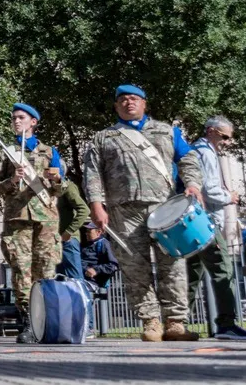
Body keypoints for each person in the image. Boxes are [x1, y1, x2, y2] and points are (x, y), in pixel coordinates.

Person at [84, 84, 203, 342]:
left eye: (134, 99)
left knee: (172, 264)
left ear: (144, 103)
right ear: (116, 106)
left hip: (165, 207)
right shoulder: (103, 137)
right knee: (133, 267)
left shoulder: (167, 131)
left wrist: (193, 184)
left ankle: (175, 322)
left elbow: (188, 159)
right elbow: (92, 173)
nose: (129, 103)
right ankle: (150, 321)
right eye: (123, 100)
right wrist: (96, 205)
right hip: (123, 210)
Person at [0, 103, 63, 344]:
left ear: (33, 122)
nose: (16, 121)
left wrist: (57, 179)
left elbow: (61, 188)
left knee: (46, 269)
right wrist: (11, 181)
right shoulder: (5, 153)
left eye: (21, 117)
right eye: (14, 118)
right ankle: (29, 322)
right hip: (17, 218)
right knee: (21, 270)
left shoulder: (49, 152)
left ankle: (48, 321)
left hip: (46, 219)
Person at [186, 116, 246, 340]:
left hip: (191, 221)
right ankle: (226, 324)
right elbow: (209, 190)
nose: (227, 142)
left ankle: (176, 323)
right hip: (206, 221)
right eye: (225, 137)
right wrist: (230, 197)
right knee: (223, 270)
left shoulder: (194, 150)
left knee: (191, 274)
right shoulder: (206, 153)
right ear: (211, 131)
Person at [56, 177, 90, 280]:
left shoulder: (67, 187)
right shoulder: (46, 188)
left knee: (75, 280)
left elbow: (84, 210)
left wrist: (69, 231)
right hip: (53, 241)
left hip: (67, 241)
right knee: (57, 280)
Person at [80, 222, 119, 288]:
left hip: (93, 283)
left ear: (98, 232)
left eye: (89, 231)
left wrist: (95, 270)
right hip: (81, 278)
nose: (86, 233)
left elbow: (113, 265)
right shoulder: (86, 245)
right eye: (86, 231)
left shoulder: (104, 244)